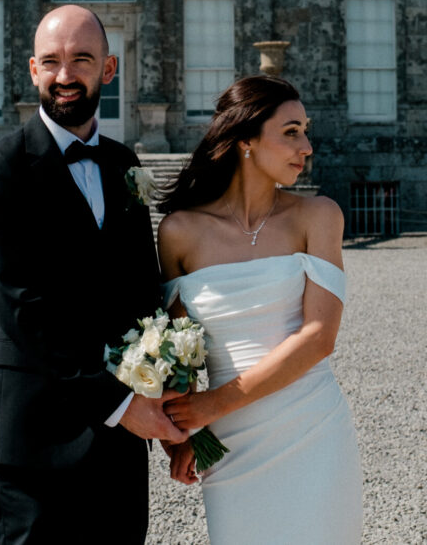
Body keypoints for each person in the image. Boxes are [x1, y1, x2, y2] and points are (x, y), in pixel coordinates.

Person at [0, 4, 187, 544]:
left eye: (81, 60)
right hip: (35, 438)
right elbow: (23, 309)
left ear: (108, 69)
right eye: (52, 62)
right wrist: (123, 404)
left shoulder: (124, 163)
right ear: (33, 70)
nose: (65, 75)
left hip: (120, 447)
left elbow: (142, 291)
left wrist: (173, 403)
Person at [158, 75, 363, 544]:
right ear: (245, 138)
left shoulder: (319, 216)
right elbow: (176, 351)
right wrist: (180, 434)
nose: (306, 146)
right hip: (229, 447)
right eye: (291, 132)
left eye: (305, 131)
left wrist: (212, 405)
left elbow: (319, 337)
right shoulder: (179, 232)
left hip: (313, 431)